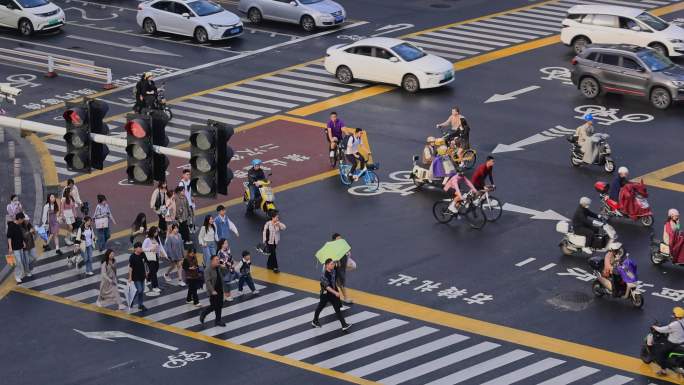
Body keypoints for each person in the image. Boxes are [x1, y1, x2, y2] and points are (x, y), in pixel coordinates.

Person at [312, 258, 351, 331]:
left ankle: (344, 325)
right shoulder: (323, 275)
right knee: (320, 307)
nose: (333, 265)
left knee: (337, 309)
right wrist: (336, 292)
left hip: (333, 294)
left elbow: (338, 266)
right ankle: (315, 321)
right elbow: (327, 287)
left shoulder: (333, 270)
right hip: (325, 295)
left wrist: (338, 260)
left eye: (333, 264)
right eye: (331, 264)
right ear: (327, 265)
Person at [651, 307, 684, 376]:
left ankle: (663, 371)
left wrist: (655, 327)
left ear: (676, 315)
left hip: (672, 344)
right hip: (681, 343)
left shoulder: (675, 324)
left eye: (674, 313)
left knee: (660, 355)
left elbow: (663, 330)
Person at [199, 255, 226, 327]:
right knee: (213, 306)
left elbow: (224, 274)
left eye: (218, 259)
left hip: (220, 289)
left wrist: (224, 267)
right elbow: (207, 282)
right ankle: (203, 313)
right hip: (213, 290)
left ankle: (218, 320)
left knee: (220, 305)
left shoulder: (219, 267)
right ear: (212, 261)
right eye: (216, 260)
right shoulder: (207, 270)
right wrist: (212, 290)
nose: (218, 261)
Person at [143, 226, 167, 294]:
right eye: (156, 232)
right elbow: (143, 248)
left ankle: (148, 278)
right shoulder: (147, 239)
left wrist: (165, 255)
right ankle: (155, 286)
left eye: (157, 232)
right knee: (153, 271)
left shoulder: (157, 238)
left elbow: (160, 247)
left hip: (155, 256)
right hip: (149, 257)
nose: (157, 233)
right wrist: (150, 249)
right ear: (152, 232)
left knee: (156, 268)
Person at [332, 233, 354, 304]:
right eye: (338, 239)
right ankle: (345, 298)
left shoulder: (343, 246)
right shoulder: (333, 249)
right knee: (339, 283)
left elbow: (348, 254)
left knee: (340, 283)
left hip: (341, 267)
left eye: (340, 238)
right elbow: (331, 261)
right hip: (335, 269)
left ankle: (344, 297)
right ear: (334, 240)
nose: (339, 240)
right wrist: (337, 261)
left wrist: (348, 260)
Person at [128, 242, 149, 312]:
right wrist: (130, 277)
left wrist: (146, 271)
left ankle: (140, 305)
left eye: (141, 247)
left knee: (141, 290)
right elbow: (130, 268)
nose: (141, 249)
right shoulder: (132, 257)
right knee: (139, 290)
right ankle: (132, 301)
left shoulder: (143, 254)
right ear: (135, 249)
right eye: (139, 247)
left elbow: (145, 263)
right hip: (136, 276)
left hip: (142, 275)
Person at [8, 213, 28, 283]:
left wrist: (23, 242)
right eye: (22, 219)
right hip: (14, 248)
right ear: (19, 219)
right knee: (18, 262)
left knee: (21, 260)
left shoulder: (18, 225)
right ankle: (17, 276)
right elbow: (9, 237)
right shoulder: (11, 226)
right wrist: (10, 247)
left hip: (20, 246)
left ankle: (20, 273)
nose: (23, 221)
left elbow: (20, 235)